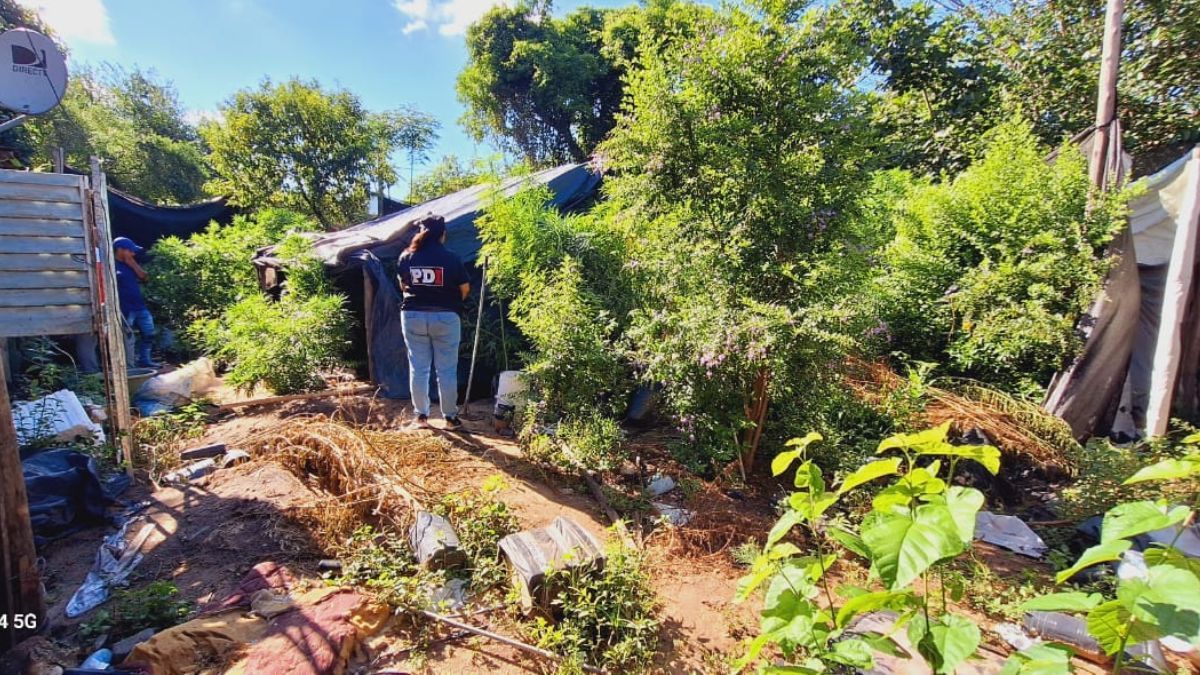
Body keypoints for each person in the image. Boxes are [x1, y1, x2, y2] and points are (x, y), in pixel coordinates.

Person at [397, 214, 470, 430]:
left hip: (412, 316)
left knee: (418, 369)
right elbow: (464, 289)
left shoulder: (406, 257)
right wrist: (448, 301)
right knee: (446, 370)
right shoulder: (452, 258)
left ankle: (420, 418)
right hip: (446, 317)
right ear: (443, 234)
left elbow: (403, 286)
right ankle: (450, 418)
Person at [112, 237, 160, 369]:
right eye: (130, 251)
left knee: (149, 334)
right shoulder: (111, 265)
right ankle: (129, 367)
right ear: (120, 250)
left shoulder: (131, 263)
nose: (133, 254)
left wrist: (132, 263)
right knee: (127, 339)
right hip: (125, 309)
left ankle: (145, 360)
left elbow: (145, 277)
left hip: (139, 306)